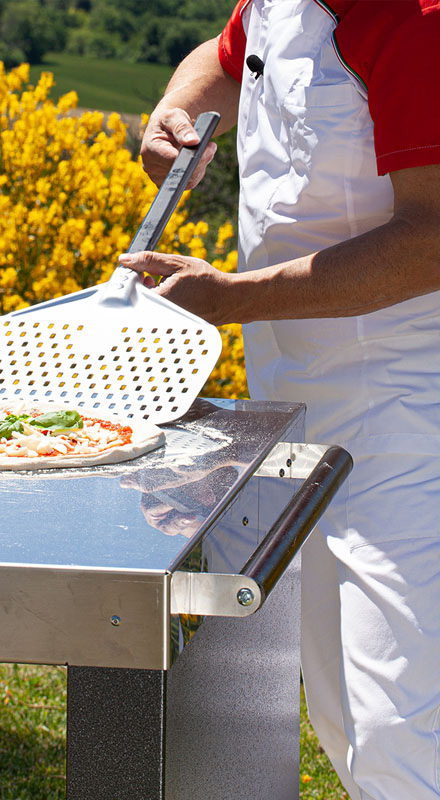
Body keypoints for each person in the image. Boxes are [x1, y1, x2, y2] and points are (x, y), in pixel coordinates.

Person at [117, 2, 440, 798]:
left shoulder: (416, 20)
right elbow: (228, 59)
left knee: (396, 723)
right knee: (342, 714)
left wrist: (233, 298)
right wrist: (177, 110)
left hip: (408, 418)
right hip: (298, 407)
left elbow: (432, 237)